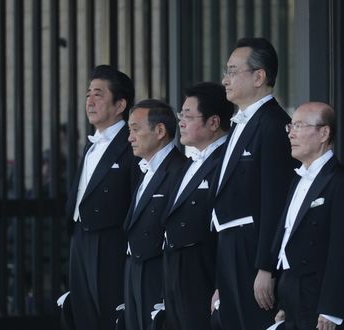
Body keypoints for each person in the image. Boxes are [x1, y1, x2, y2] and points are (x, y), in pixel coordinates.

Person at [211, 37, 299, 329]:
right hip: (230, 249)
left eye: (233, 71)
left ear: (259, 76)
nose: (225, 79)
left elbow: (275, 202)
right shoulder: (242, 122)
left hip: (252, 253)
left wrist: (266, 267)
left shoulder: (273, 124)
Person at [273, 102, 344, 330]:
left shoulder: (343, 181)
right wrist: (284, 301)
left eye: (300, 126)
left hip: (319, 295)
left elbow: (343, 249)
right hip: (291, 291)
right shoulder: (296, 179)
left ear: (324, 133)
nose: (291, 133)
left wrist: (332, 308)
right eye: (290, 126)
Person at [65, 65, 139, 330]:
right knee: (83, 316)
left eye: (98, 94)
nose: (90, 101)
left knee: (110, 317)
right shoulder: (91, 142)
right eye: (88, 94)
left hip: (110, 242)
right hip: (80, 237)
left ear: (120, 105)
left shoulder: (132, 143)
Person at [161, 82, 234, 329]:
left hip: (205, 273)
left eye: (188, 116)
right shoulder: (187, 164)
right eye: (181, 115)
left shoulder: (227, 162)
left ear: (214, 122)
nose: (180, 122)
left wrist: (221, 284)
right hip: (176, 274)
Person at [123, 99, 187, 330]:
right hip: (134, 268)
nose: (130, 137)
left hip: (158, 271)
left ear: (160, 130)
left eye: (135, 129)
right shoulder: (145, 168)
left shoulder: (180, 170)